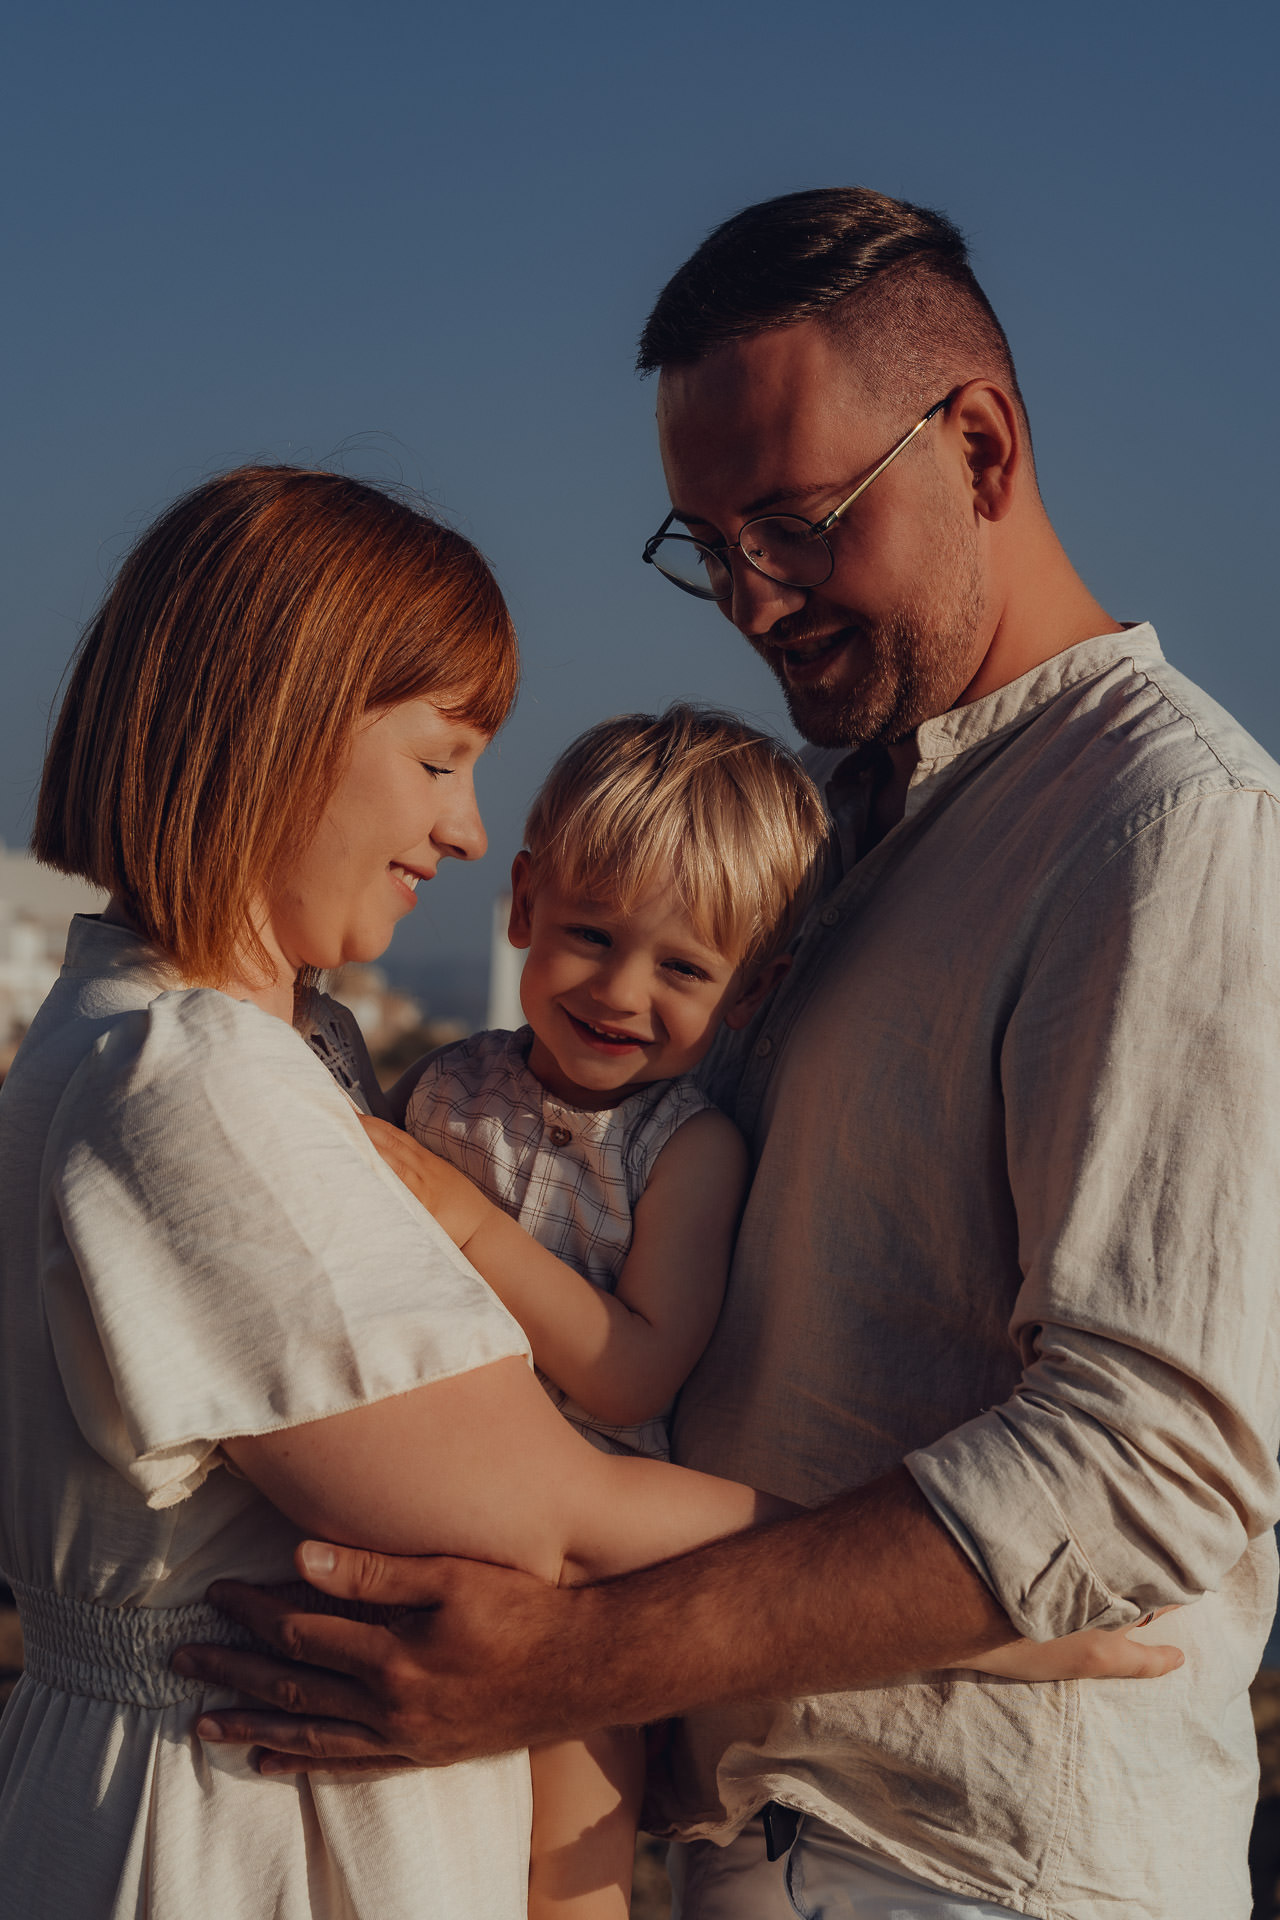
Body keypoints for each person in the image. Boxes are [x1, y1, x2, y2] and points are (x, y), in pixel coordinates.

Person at [181, 190, 1280, 1920]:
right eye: (705, 542)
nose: (750, 599)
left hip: (977, 1865)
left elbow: (1145, 1463)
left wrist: (574, 1657)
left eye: (795, 523)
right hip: (739, 1836)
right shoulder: (817, 830)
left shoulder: (1170, 825)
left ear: (980, 446)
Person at [0, 464, 802, 1920]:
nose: (469, 832)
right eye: (440, 762)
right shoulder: (197, 1080)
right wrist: (973, 1596)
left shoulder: (207, 1044)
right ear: (279, 722)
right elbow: (552, 1518)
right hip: (245, 1836)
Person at [377, 704, 1172, 1919]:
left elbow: (634, 1371)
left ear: (753, 990)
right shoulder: (446, 1087)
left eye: (682, 969)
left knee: (567, 1860)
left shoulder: (683, 1150)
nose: (620, 991)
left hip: (604, 1538)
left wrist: (471, 1229)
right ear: (523, 903)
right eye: (590, 934)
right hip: (447, 1495)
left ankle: (1019, 1638)